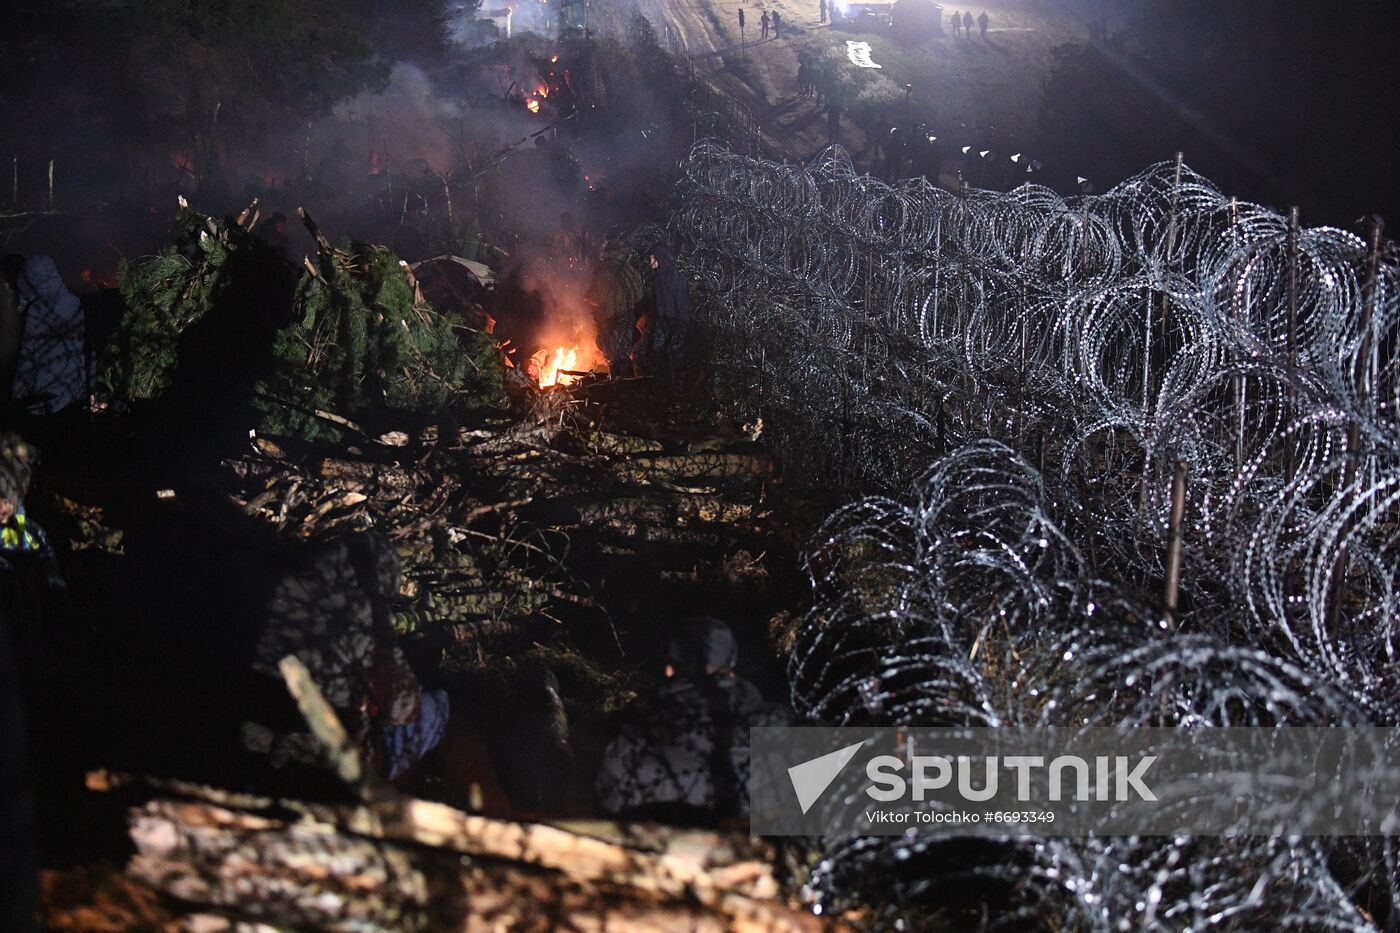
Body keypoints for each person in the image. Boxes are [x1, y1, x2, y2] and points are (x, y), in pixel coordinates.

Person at [595, 618, 790, 821]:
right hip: (760, 847)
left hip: (663, 845)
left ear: (670, 670)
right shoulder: (781, 726)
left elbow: (607, 803)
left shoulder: (636, 732)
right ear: (731, 671)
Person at [584, 238, 645, 375]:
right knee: (625, 355)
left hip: (610, 322)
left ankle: (616, 386)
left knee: (613, 357)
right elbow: (639, 295)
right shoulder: (630, 270)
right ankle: (625, 384)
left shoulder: (605, 273)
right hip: (628, 320)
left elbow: (594, 298)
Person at [635, 244, 690, 383]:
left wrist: (682, 325)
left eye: (653, 258)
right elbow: (656, 304)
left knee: (676, 357)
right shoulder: (657, 278)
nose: (650, 262)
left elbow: (682, 303)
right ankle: (657, 384)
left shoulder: (676, 278)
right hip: (662, 322)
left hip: (676, 323)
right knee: (654, 353)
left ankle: (678, 390)